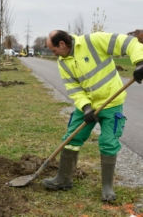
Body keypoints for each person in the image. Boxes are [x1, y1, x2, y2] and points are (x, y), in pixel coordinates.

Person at [43, 30, 143, 202]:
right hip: (87, 106)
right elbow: (73, 88)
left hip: (112, 103)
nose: (54, 54)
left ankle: (107, 187)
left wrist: (140, 62)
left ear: (62, 44)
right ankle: (63, 179)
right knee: (71, 139)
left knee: (108, 142)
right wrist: (86, 107)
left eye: (53, 50)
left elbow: (128, 43)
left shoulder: (94, 41)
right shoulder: (63, 62)